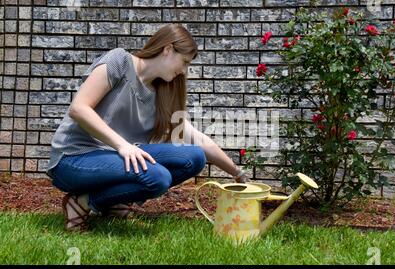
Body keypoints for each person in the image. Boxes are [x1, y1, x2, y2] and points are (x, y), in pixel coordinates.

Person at [46, 24, 250, 232]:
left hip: (115, 157)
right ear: (168, 49)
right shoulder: (119, 61)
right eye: (185, 62)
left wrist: (238, 174)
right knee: (157, 177)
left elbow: (199, 140)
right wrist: (123, 146)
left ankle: (113, 204)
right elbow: (79, 109)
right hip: (74, 158)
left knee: (194, 157)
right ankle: (81, 204)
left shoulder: (162, 94)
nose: (184, 71)